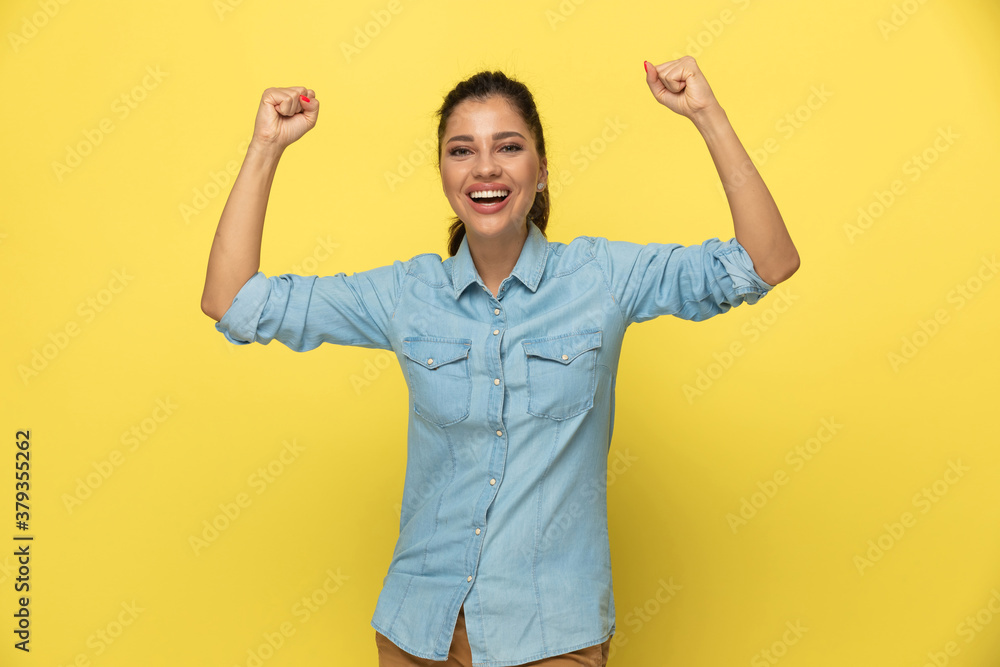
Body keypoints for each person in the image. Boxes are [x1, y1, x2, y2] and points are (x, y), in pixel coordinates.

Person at [201, 57, 799, 667]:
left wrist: (705, 113)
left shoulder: (603, 279)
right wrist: (265, 147)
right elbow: (232, 301)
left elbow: (765, 261)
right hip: (420, 631)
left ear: (540, 171)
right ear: (443, 175)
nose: (485, 167)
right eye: (462, 151)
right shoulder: (407, 295)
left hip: (552, 634)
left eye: (507, 147)